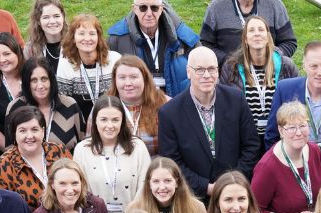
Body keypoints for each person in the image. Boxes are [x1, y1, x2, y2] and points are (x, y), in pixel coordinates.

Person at [159, 47, 261, 200]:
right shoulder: (169, 113)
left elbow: (251, 146)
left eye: (212, 69)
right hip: (193, 198)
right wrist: (205, 187)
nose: (207, 75)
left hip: (235, 193)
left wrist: (232, 183)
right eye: (200, 70)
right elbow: (172, 161)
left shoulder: (236, 100)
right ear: (188, 72)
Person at [264, 41, 321, 163]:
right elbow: (272, 136)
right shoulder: (285, 90)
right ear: (304, 66)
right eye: (314, 66)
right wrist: (284, 166)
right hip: (295, 167)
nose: (320, 72)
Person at [252, 102, 321, 213]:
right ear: (281, 131)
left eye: (303, 126)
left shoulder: (315, 151)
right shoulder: (267, 167)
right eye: (291, 127)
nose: (298, 133)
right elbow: (254, 211)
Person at [220, 16, 299, 144]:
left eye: (261, 30)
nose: (257, 33)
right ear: (245, 39)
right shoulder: (231, 68)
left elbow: (297, 103)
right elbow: (225, 106)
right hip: (245, 140)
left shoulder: (286, 66)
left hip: (280, 139)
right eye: (251, 30)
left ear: (268, 37)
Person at [73, 96, 152, 213]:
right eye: (104, 119)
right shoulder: (82, 150)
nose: (109, 126)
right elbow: (81, 191)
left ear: (122, 121)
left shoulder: (138, 147)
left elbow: (145, 185)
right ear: (95, 121)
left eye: (115, 120)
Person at [107, 0, 200, 97]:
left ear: (161, 8)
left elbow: (202, 66)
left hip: (177, 101)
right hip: (136, 102)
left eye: (154, 8)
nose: (149, 14)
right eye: (143, 8)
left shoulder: (183, 36)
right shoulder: (117, 38)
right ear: (134, 9)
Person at [0, 106, 74, 211]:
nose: (29, 136)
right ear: (14, 133)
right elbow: (3, 208)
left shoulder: (58, 151)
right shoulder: (3, 166)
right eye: (22, 131)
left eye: (34, 130)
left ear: (42, 131)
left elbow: (76, 182)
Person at [57, 13, 122, 120]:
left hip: (112, 122)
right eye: (81, 33)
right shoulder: (66, 65)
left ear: (98, 37)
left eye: (92, 34)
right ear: (73, 38)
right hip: (80, 123)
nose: (87, 38)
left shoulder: (115, 60)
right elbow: (63, 104)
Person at [7, 59, 83, 149]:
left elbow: (82, 143)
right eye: (34, 80)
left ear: (51, 80)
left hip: (65, 158)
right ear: (27, 83)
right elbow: (10, 148)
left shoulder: (69, 105)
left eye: (44, 79)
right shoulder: (15, 107)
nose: (40, 86)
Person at [107, 56, 169, 156]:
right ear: (115, 80)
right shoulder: (104, 107)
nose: (128, 83)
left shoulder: (165, 104)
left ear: (145, 78)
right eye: (122, 77)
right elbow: (93, 147)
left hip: (156, 164)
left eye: (133, 77)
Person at [202, 0, 296, 63]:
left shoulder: (275, 5)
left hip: (270, 75)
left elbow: (289, 42)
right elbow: (204, 45)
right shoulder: (216, 7)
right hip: (229, 76)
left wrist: (270, 58)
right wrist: (229, 61)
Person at [25, 0, 67, 75]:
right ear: (38, 21)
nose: (52, 21)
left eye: (56, 16)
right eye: (46, 17)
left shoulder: (75, 43)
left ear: (63, 17)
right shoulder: (30, 49)